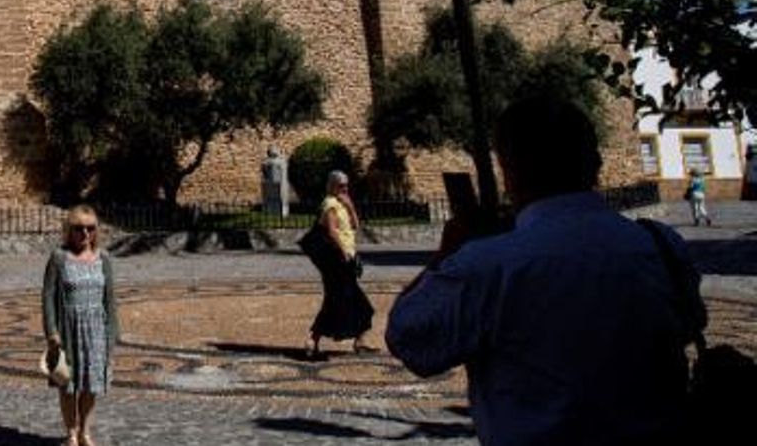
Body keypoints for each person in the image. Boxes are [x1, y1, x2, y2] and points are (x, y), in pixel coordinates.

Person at [387, 95, 705, 446]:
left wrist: (446, 254)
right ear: (595, 162)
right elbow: (690, 324)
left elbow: (409, 337)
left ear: (510, 171)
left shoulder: (488, 265)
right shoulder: (661, 244)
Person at [41, 205, 119, 446]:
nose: (84, 233)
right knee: (67, 385)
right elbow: (48, 297)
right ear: (69, 230)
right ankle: (71, 433)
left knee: (91, 384)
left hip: (96, 330)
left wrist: (112, 334)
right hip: (67, 331)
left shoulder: (103, 258)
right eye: (78, 228)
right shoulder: (59, 258)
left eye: (90, 228)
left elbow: (110, 299)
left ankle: (85, 431)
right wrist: (52, 331)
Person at [302, 170, 375, 358]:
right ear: (333, 186)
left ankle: (360, 342)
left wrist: (350, 207)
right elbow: (332, 231)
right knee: (338, 299)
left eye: (347, 185)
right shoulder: (329, 204)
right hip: (336, 259)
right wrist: (343, 253)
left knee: (353, 301)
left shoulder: (343, 204)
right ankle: (312, 339)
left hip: (347, 256)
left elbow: (356, 226)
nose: (345, 189)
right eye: (341, 186)